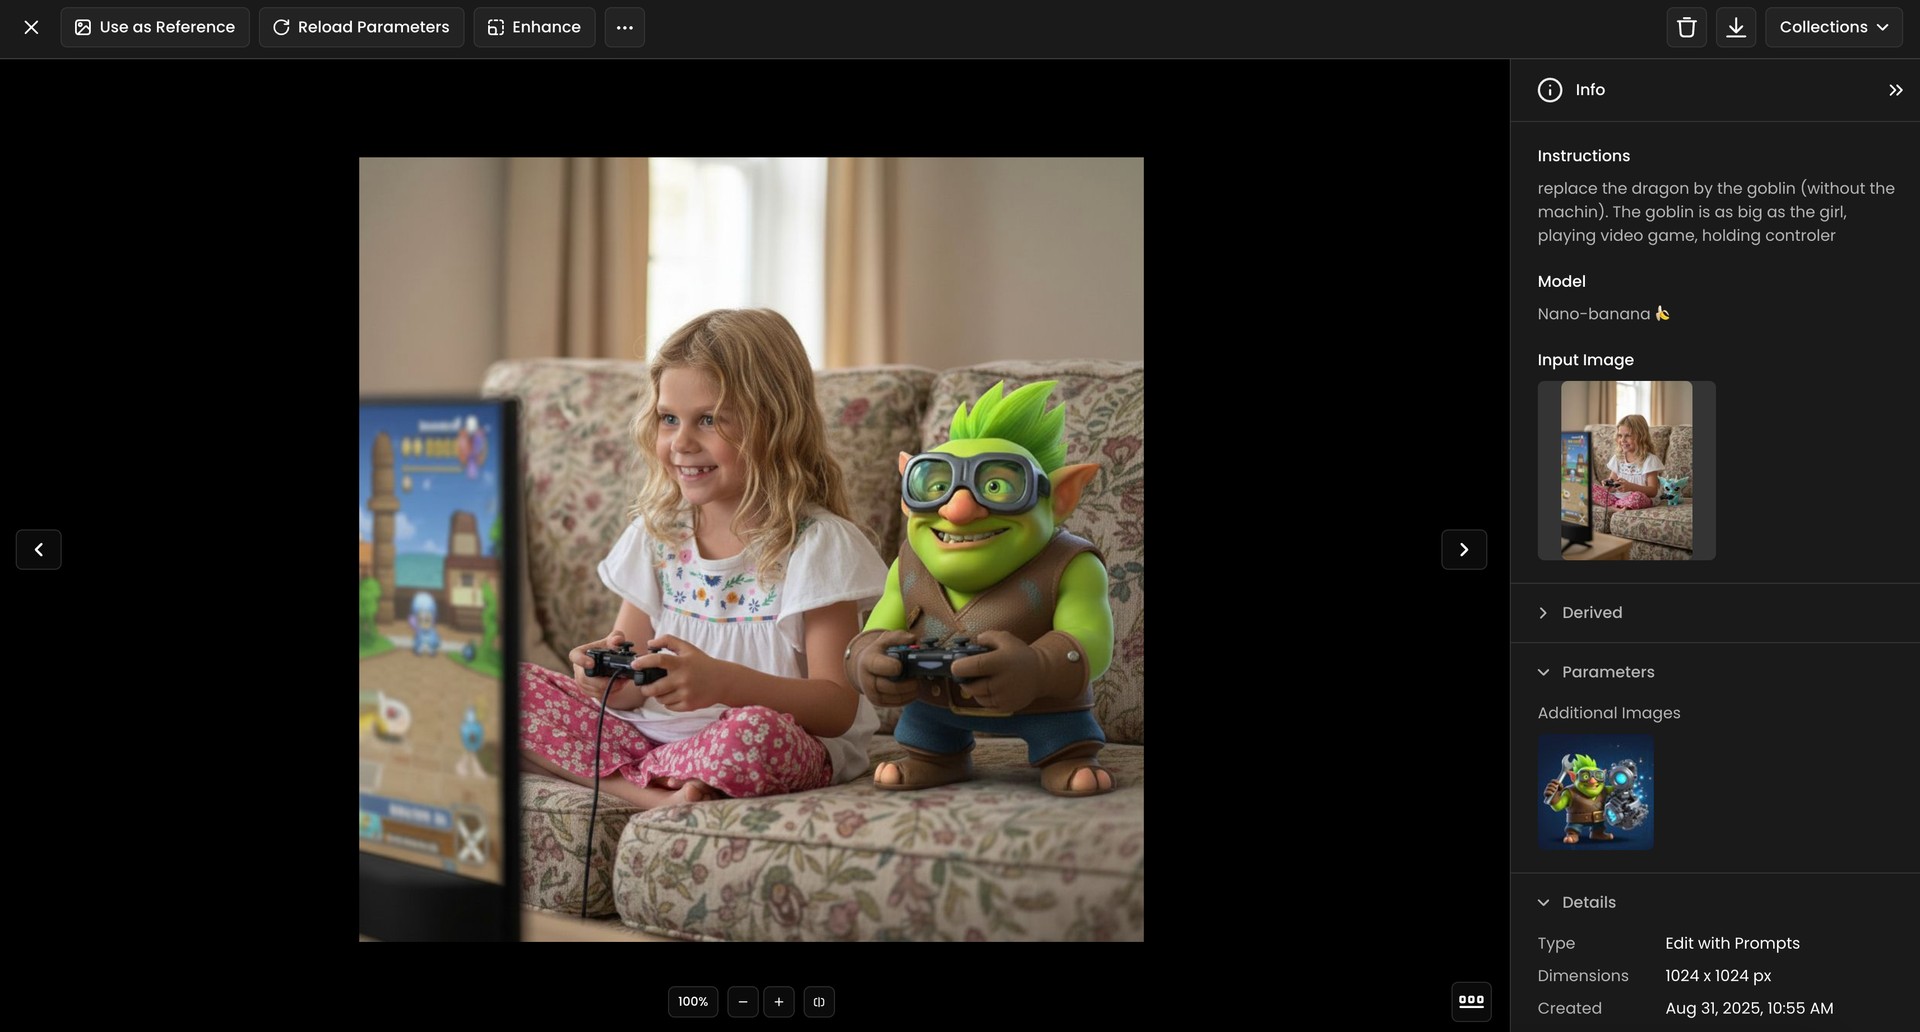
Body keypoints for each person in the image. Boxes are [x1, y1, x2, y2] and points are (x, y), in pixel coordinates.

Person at [518, 309, 889, 809]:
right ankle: (653, 791)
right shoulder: (658, 535)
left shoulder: (818, 545)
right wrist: (607, 679)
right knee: (504, 686)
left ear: (774, 424)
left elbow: (837, 705)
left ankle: (648, 783)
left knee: (754, 734)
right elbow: (631, 687)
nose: (682, 443)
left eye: (709, 420)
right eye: (669, 419)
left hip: (763, 743)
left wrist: (724, 684)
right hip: (652, 738)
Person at [1592, 413, 1663, 510]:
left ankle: (1616, 506)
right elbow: (1612, 481)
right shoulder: (1618, 458)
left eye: (1628, 436)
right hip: (1618, 498)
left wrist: (1631, 487)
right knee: (1590, 488)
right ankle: (1618, 505)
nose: (1622, 440)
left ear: (1641, 436)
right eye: (1620, 436)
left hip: (1641, 498)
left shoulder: (1650, 460)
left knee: (1637, 496)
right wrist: (1608, 484)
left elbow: (1653, 491)